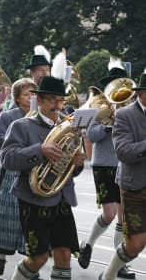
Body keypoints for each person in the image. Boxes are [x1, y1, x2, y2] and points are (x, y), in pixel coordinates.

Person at [0, 76, 86, 280]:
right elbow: (6, 158)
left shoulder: (70, 127)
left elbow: (71, 171)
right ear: (39, 101)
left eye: (60, 101)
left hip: (61, 197)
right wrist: (40, 150)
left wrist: (77, 163)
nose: (58, 106)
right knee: (37, 259)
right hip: (33, 199)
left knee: (64, 254)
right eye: (52, 100)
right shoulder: (22, 125)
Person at [78, 63, 135, 279]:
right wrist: (109, 126)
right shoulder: (100, 107)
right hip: (104, 164)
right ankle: (88, 243)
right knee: (110, 213)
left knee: (123, 216)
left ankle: (118, 264)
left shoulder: (131, 109)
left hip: (125, 164)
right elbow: (91, 136)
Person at [0, 78, 37, 276]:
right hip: (13, 172)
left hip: (35, 172)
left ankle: (31, 264)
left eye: (33, 93)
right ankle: (1, 253)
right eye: (26, 94)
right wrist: (16, 137)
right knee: (10, 218)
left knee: (33, 220)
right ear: (16, 98)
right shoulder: (8, 116)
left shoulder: (42, 116)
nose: (31, 97)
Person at [98, 72, 146, 280]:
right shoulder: (125, 115)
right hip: (135, 186)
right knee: (135, 244)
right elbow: (123, 152)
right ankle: (108, 275)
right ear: (142, 95)